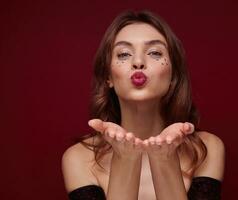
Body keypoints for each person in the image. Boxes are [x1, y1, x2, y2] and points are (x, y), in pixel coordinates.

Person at [62, 10, 225, 200]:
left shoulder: (206, 148)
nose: (138, 62)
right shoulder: (79, 158)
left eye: (155, 53)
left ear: (173, 75)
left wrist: (164, 159)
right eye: (124, 54)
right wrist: (125, 159)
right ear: (108, 77)